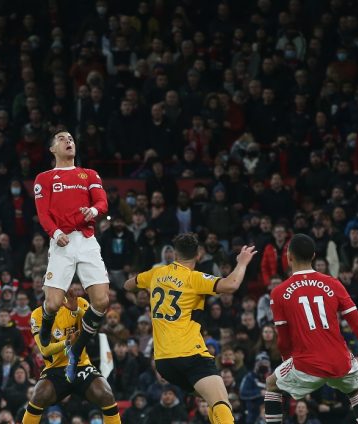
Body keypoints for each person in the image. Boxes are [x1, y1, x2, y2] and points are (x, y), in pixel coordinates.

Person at [124, 232, 256, 424]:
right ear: (198, 255)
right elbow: (231, 284)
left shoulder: (156, 273)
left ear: (175, 254)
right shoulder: (194, 278)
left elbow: (128, 285)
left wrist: (148, 287)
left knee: (211, 399)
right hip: (190, 355)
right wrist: (242, 262)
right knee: (221, 401)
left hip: (164, 362)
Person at [264, 233, 358, 424]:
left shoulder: (279, 292)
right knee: (355, 391)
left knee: (271, 384)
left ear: (289, 256)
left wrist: (288, 361)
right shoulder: (334, 283)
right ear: (313, 256)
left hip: (306, 362)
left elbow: (283, 340)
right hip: (339, 360)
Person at [33, 129, 110, 383]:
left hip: (86, 240)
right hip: (61, 242)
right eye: (62, 138)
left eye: (71, 139)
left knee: (101, 301)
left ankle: (78, 347)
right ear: (52, 149)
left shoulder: (89, 174)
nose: (68, 141)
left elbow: (102, 202)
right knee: (53, 304)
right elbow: (43, 214)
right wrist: (55, 233)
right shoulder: (44, 178)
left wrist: (93, 211)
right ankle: (46, 326)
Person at [22, 287, 121, 424]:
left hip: (81, 365)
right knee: (39, 395)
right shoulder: (37, 314)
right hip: (55, 368)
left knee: (106, 394)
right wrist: (67, 342)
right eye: (50, 286)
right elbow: (45, 350)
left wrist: (76, 310)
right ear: (44, 289)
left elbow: (92, 329)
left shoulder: (79, 302)